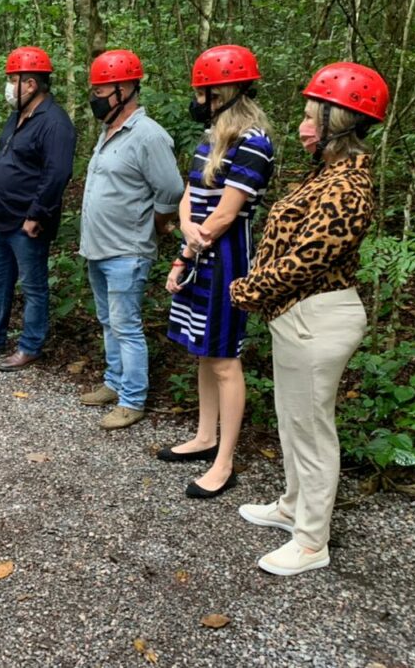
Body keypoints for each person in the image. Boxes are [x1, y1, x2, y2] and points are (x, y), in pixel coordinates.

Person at [230, 61, 389, 575]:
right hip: (297, 314)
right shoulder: (328, 175)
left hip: (318, 316)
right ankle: (294, 506)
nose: (301, 126)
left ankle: (311, 542)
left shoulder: (348, 187)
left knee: (312, 430)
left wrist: (245, 290)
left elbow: (306, 260)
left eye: (310, 115)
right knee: (292, 420)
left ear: (337, 119)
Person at [158, 46, 275, 499]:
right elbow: (190, 194)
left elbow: (226, 215)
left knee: (225, 359)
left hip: (227, 258)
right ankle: (205, 437)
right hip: (200, 248)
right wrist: (187, 231)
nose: (198, 98)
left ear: (224, 90)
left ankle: (224, 462)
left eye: (204, 91)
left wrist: (191, 247)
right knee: (204, 351)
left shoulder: (254, 141)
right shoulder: (212, 137)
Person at [78, 49, 184, 430]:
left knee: (126, 324)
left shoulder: (148, 135)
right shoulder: (110, 131)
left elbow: (171, 191)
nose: (95, 97)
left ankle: (132, 399)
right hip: (99, 248)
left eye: (101, 90)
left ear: (124, 90)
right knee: (108, 320)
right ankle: (114, 382)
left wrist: (155, 224)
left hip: (127, 250)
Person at [0, 46, 76, 371]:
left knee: (34, 287)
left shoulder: (55, 123)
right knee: (0, 280)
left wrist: (37, 214)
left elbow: (57, 174)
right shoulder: (18, 116)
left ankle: (30, 345)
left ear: (31, 84)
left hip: (27, 223)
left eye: (13, 80)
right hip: (3, 219)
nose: (9, 86)